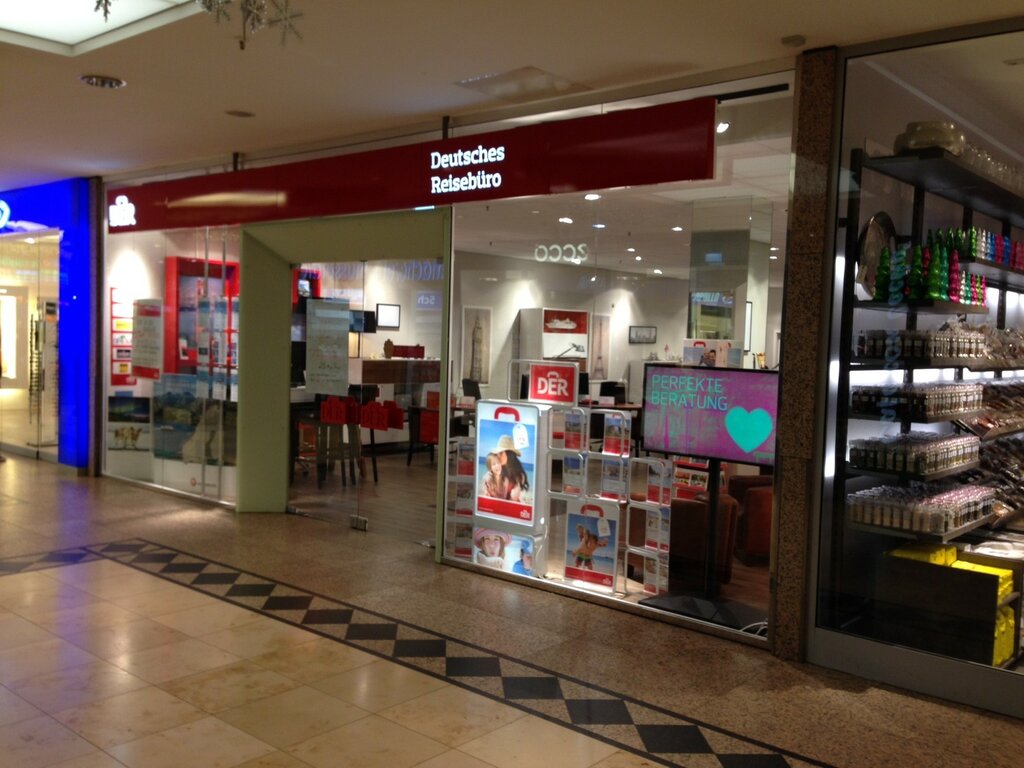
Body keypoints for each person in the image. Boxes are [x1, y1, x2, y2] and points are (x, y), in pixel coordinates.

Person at [492, 434, 531, 502]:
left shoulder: (519, 476)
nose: (498, 456)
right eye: (497, 453)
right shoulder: (498, 470)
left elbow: (513, 499)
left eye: (501, 453)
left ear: (509, 454)